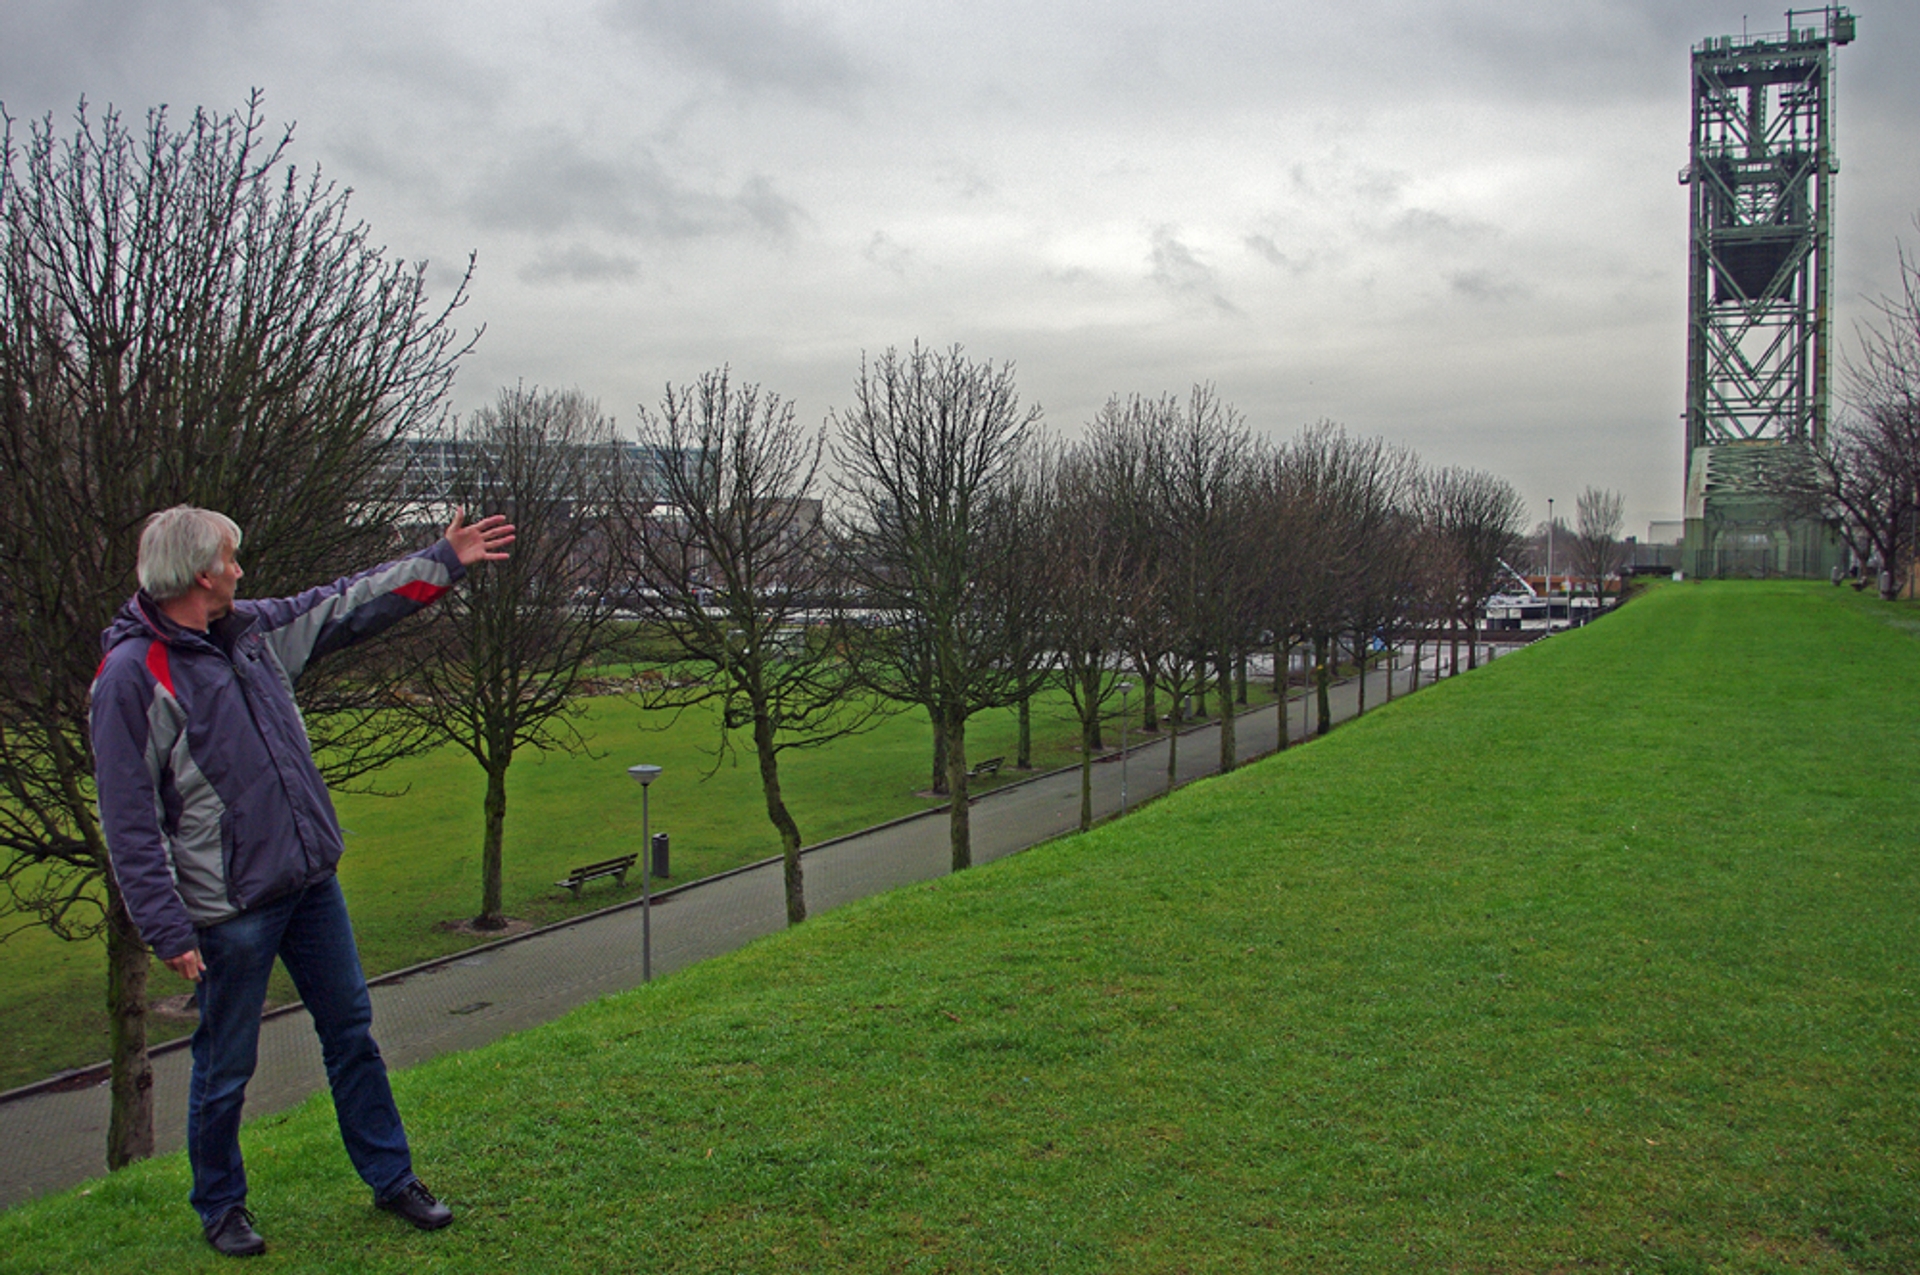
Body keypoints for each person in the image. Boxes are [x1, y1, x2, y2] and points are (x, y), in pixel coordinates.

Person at [90, 505, 514, 1258]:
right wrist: (165, 926)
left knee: (351, 1033)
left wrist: (443, 559)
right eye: (232, 558)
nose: (242, 571)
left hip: (310, 883)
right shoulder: (132, 676)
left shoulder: (248, 631)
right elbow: (128, 817)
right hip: (230, 910)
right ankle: (221, 1206)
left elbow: (347, 605)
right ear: (199, 575)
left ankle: (393, 1178)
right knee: (226, 1067)